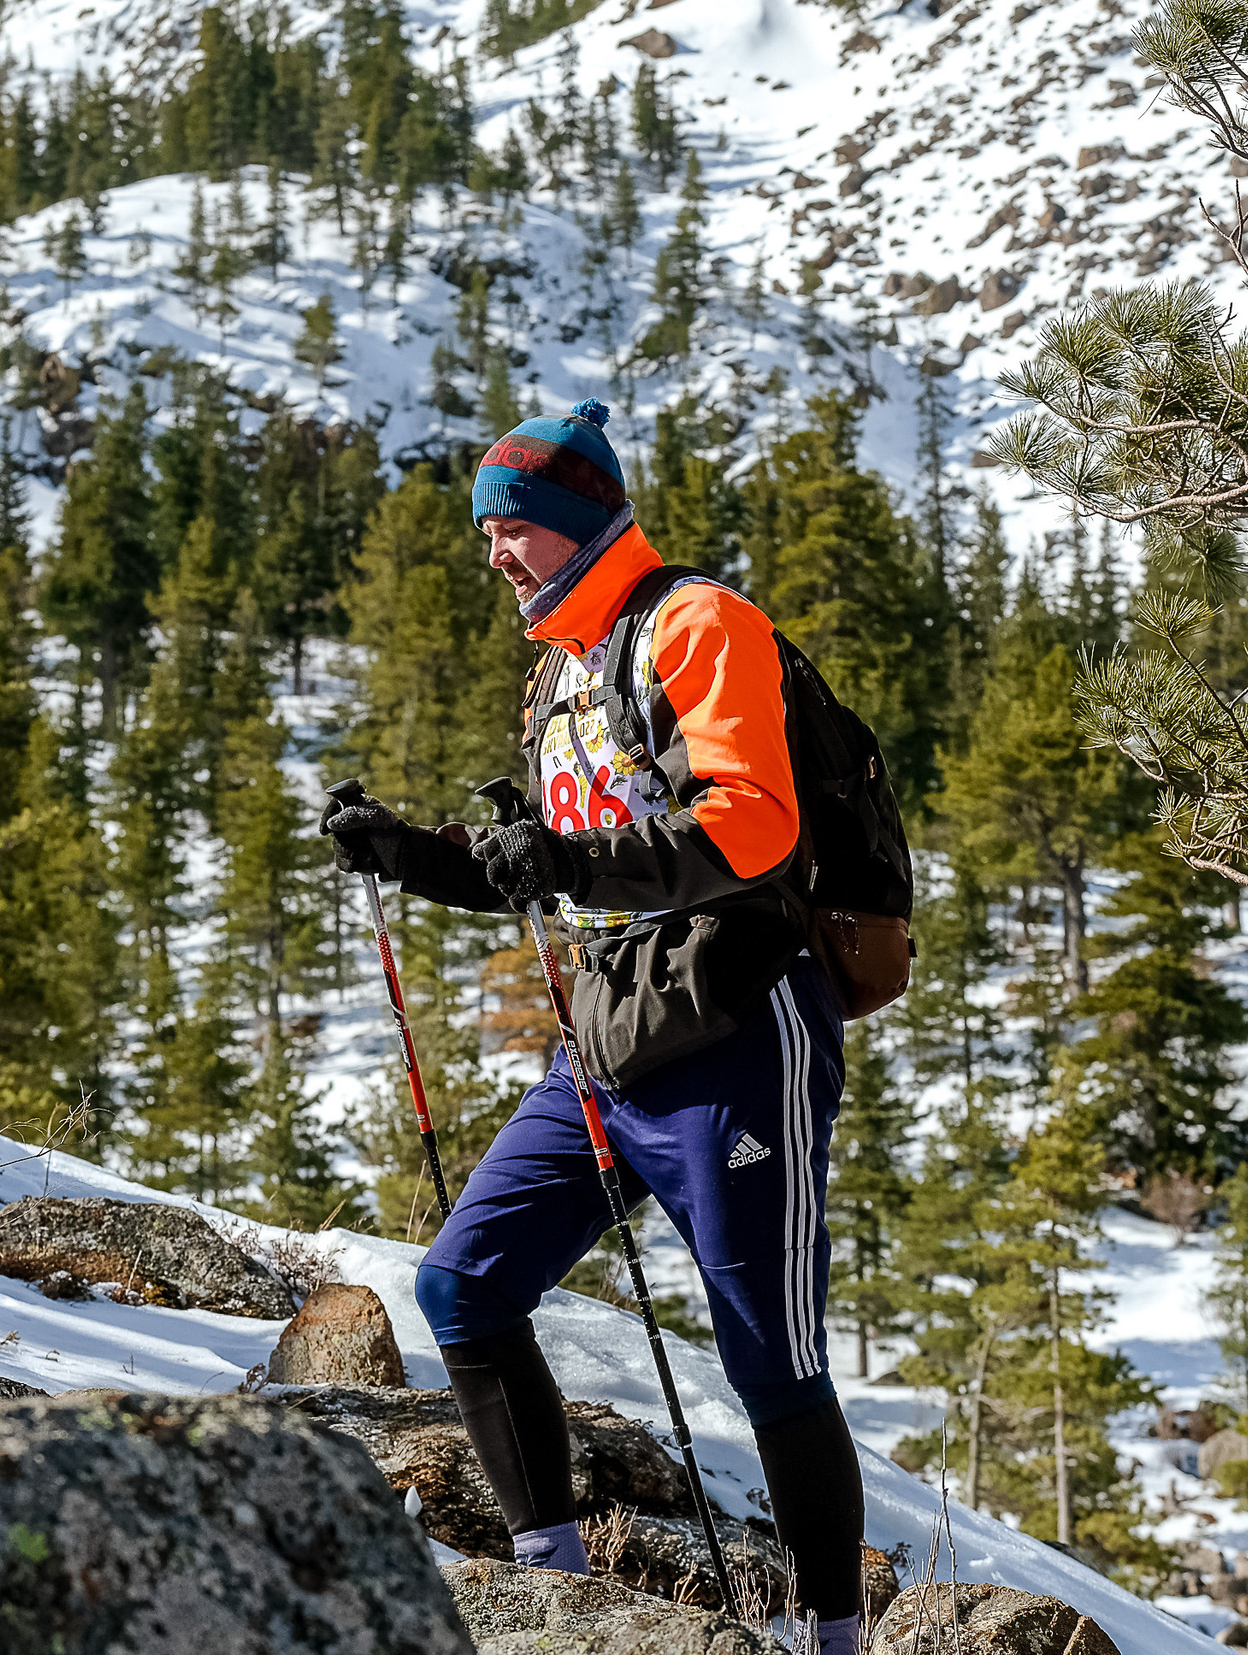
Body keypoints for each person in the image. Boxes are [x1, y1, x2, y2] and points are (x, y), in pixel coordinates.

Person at [320, 400, 865, 1654]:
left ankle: (829, 1638)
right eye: (487, 534)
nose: (494, 554)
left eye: (510, 529)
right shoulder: (564, 670)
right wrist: (413, 854)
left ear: (574, 521)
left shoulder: (695, 624)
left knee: (771, 1361)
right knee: (461, 1287)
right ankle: (553, 1594)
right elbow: (556, 867)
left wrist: (568, 858)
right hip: (609, 1041)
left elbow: (753, 825)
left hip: (738, 1030)